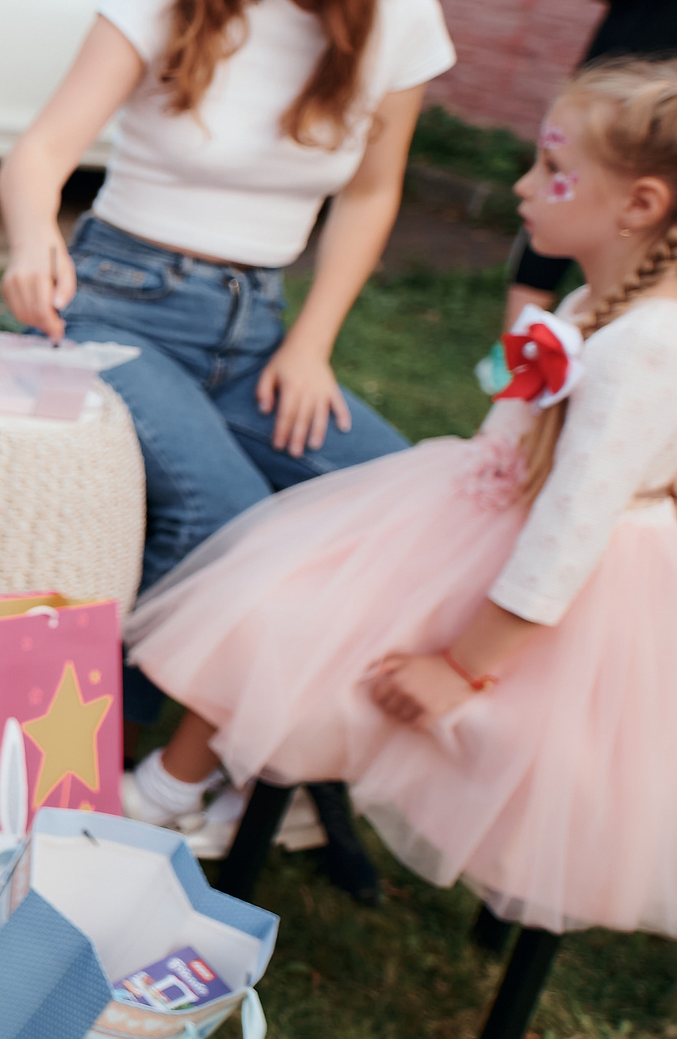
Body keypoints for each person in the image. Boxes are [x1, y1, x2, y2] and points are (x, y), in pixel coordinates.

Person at [123, 58, 677, 938]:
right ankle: (189, 786)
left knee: (289, 618)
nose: (523, 183)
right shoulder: (591, 301)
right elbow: (520, 420)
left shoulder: (647, 348)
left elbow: (570, 532)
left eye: (549, 166)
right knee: (279, 589)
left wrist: (460, 668)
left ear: (639, 206)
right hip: (480, 518)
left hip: (542, 591)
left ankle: (176, 791)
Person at [0, 0, 451, 640]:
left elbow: (369, 194)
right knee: (230, 517)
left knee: (400, 498)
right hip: (114, 309)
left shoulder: (403, 19)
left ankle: (248, 726)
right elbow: (40, 150)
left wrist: (313, 344)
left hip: (260, 329)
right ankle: (123, 750)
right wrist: (30, 240)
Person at [501, 0, 677, 327]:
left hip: (669, 119)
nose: (520, 183)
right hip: (614, 94)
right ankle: (516, 357)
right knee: (558, 205)